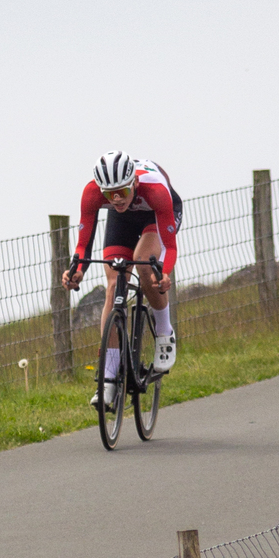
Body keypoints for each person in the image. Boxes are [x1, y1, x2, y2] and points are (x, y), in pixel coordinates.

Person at [63, 153, 182, 408]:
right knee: (114, 285)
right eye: (110, 194)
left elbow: (169, 248)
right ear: (101, 190)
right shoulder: (93, 193)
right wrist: (77, 270)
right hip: (123, 220)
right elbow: (84, 244)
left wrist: (165, 274)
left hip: (156, 214)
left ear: (134, 183)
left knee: (143, 261)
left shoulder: (155, 190)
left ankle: (164, 332)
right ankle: (109, 379)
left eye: (122, 191)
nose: (116, 198)